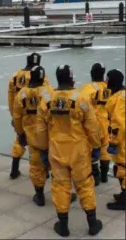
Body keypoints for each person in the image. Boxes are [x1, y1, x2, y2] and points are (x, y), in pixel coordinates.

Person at [37, 65, 103, 236]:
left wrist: (44, 149)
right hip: (79, 151)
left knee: (60, 186)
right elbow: (92, 127)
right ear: (72, 78)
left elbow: (40, 129)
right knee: (85, 184)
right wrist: (96, 146)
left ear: (57, 78)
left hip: (56, 150)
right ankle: (92, 223)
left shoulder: (46, 100)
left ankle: (63, 225)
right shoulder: (81, 98)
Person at [12, 66, 53, 206]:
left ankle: (40, 195)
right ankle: (61, 194)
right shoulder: (49, 91)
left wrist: (20, 133)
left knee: (35, 166)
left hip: (32, 137)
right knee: (57, 166)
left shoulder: (21, 94)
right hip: (50, 137)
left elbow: (16, 117)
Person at [8, 52, 48, 179]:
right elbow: (47, 98)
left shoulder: (15, 76)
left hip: (21, 114)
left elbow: (10, 98)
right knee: (40, 144)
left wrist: (14, 117)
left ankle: (14, 168)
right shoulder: (42, 77)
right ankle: (44, 169)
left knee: (20, 140)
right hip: (39, 116)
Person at [80, 63, 111, 186]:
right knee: (105, 149)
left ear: (92, 73)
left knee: (91, 149)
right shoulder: (109, 87)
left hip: (92, 125)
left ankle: (95, 177)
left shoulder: (87, 88)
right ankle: (104, 176)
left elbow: (81, 106)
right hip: (106, 124)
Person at [105, 69, 125, 210]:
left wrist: (113, 141)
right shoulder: (122, 94)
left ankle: (124, 200)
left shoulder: (119, 98)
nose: (106, 82)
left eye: (108, 79)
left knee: (122, 167)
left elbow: (118, 122)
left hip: (122, 140)